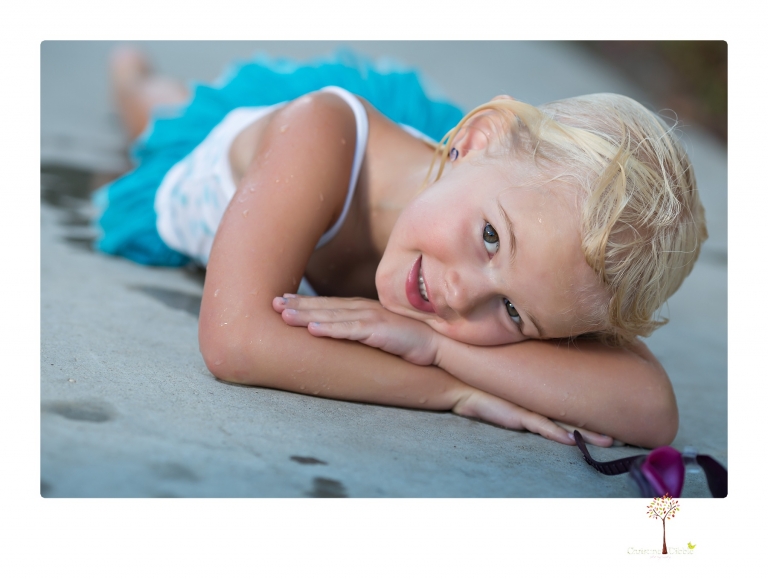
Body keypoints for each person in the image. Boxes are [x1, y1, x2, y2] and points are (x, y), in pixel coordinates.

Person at [95, 46, 707, 449]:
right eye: (491, 237)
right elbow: (236, 341)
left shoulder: (546, 260)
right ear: (473, 141)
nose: (464, 296)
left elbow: (649, 410)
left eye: (514, 313)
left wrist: (435, 343)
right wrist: (453, 388)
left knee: (515, 245)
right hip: (255, 149)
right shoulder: (320, 131)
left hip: (445, 177)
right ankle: (131, 68)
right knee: (156, 114)